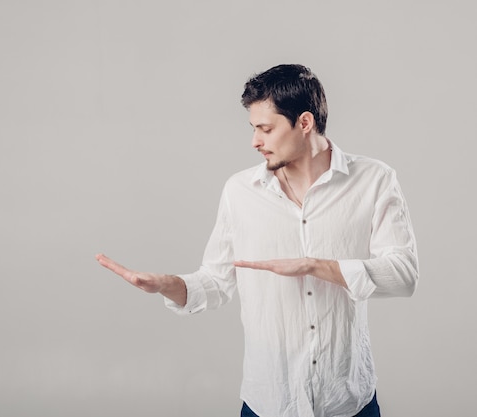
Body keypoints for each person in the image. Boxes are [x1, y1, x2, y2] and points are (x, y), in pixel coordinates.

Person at [95, 64, 418, 417]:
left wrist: (314, 265)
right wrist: (168, 285)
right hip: (269, 403)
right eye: (253, 129)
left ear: (305, 123)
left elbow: (403, 275)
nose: (255, 142)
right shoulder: (239, 191)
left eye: (265, 129)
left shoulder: (374, 180)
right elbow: (215, 283)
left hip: (348, 402)